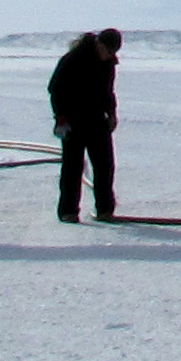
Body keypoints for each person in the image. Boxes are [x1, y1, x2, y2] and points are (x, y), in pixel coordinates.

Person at [49, 27, 122, 222]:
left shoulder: (108, 64)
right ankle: (68, 211)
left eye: (112, 53)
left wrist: (112, 113)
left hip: (97, 119)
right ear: (99, 44)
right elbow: (56, 89)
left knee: (105, 166)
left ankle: (105, 210)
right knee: (72, 168)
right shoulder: (73, 59)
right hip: (73, 121)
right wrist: (61, 118)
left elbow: (108, 91)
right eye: (107, 51)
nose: (109, 56)